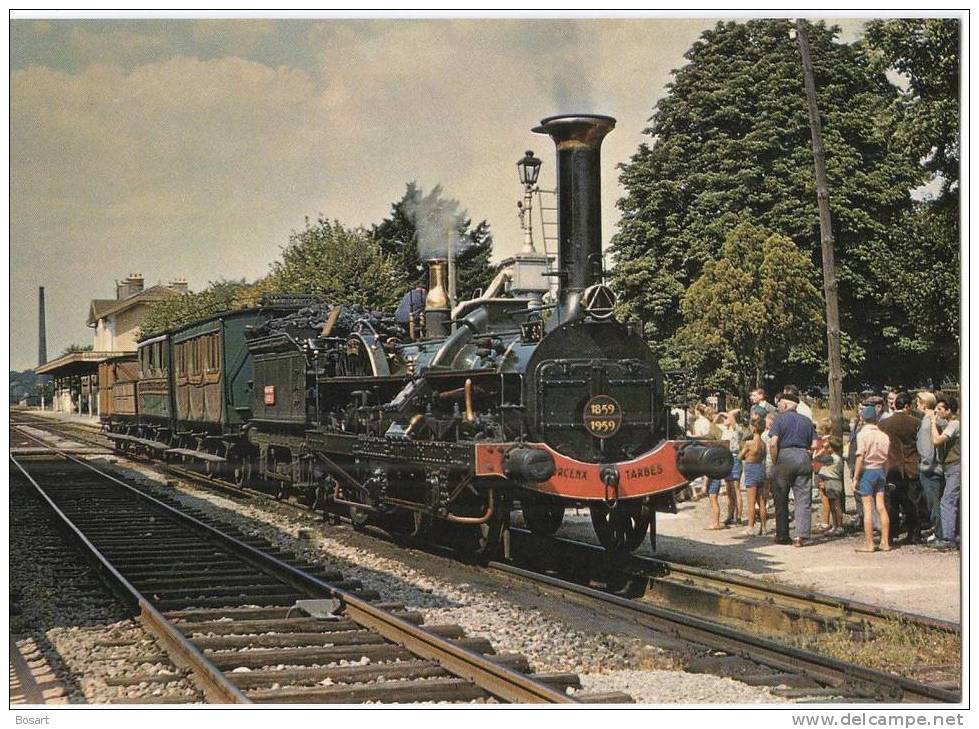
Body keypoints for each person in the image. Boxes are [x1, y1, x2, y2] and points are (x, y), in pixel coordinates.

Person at [768, 392, 817, 546]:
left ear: (785, 405)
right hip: (803, 457)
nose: (779, 407)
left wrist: (775, 460)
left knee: (780, 498)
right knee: (803, 499)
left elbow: (773, 442)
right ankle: (800, 536)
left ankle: (782, 535)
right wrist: (807, 455)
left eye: (780, 404)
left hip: (784, 456)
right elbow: (815, 445)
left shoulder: (779, 419)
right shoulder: (807, 421)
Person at [879, 392, 924, 544]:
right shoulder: (916, 422)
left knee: (892, 502)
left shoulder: (883, 424)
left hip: (891, 467)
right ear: (907, 406)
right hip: (911, 466)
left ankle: (891, 533)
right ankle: (914, 534)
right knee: (912, 503)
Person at [853, 405, 892, 552]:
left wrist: (856, 477)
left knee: (868, 508)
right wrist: (885, 473)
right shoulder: (884, 436)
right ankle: (885, 542)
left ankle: (869, 543)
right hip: (880, 471)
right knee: (881, 506)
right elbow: (887, 459)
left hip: (867, 471)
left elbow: (860, 457)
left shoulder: (862, 435)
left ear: (863, 418)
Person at [929, 394, 960, 550]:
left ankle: (948, 538)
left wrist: (933, 423)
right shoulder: (952, 423)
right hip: (951, 467)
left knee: (947, 501)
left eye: (940, 409)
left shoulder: (954, 424)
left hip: (955, 466)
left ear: (949, 410)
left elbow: (937, 441)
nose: (937, 411)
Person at [916, 391, 944, 540]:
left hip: (930, 469)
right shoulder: (936, 420)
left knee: (934, 503)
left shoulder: (927, 423)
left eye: (918, 402)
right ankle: (938, 530)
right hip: (937, 468)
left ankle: (939, 533)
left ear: (924, 404)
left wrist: (924, 464)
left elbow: (927, 450)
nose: (916, 405)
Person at [814, 435, 845, 536]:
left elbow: (816, 457)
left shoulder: (831, 458)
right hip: (832, 482)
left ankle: (839, 526)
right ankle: (836, 525)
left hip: (832, 482)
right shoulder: (838, 458)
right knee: (833, 505)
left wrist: (823, 449)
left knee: (836, 505)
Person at [740, 417, 767, 535]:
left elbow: (740, 457)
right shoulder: (763, 444)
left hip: (751, 468)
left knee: (751, 501)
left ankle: (750, 526)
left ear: (754, 428)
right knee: (761, 500)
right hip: (761, 468)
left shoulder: (749, 443)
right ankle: (764, 527)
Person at [719, 411, 743, 526]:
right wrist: (720, 415)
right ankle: (730, 514)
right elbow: (713, 424)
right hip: (726, 459)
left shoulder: (737, 430)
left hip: (734, 458)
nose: (726, 419)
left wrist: (728, 413)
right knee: (729, 489)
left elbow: (734, 418)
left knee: (736, 488)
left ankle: (739, 516)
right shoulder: (725, 430)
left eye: (728, 417)